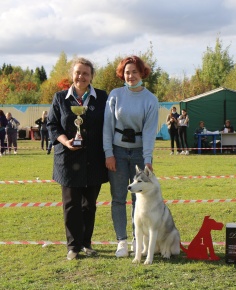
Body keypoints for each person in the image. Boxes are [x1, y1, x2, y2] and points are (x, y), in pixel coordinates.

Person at [47, 57, 108, 260]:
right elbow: (52, 126)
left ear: (91, 77)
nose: (81, 76)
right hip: (67, 159)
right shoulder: (60, 98)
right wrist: (65, 141)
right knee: (71, 204)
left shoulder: (102, 97)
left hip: (94, 159)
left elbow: (107, 125)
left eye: (86, 73)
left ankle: (86, 243)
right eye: (78, 72)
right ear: (72, 74)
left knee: (89, 204)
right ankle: (73, 246)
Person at [103, 55, 159, 258]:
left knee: (139, 199)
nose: (131, 76)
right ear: (122, 74)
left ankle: (138, 240)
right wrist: (109, 153)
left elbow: (150, 132)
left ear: (142, 73)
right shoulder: (115, 95)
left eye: (135, 71)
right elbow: (107, 128)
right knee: (118, 198)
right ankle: (121, 241)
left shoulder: (150, 99)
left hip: (138, 153)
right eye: (127, 72)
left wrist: (147, 160)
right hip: (117, 152)